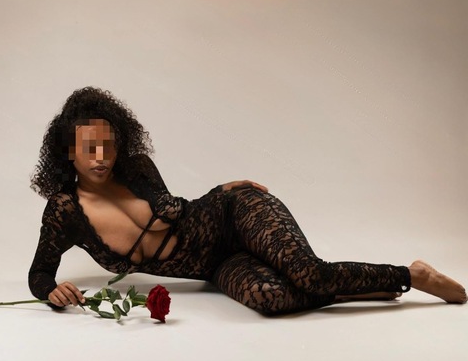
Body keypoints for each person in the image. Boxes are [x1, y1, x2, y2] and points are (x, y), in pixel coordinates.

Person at [28, 86, 467, 315]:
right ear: (68, 152)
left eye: (109, 145)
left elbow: (176, 210)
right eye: (90, 148)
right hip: (215, 266)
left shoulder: (137, 168)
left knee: (309, 273)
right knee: (270, 300)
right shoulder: (66, 211)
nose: (101, 157)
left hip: (232, 215)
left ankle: (412, 275)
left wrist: (223, 193)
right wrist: (52, 291)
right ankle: (357, 288)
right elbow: (39, 273)